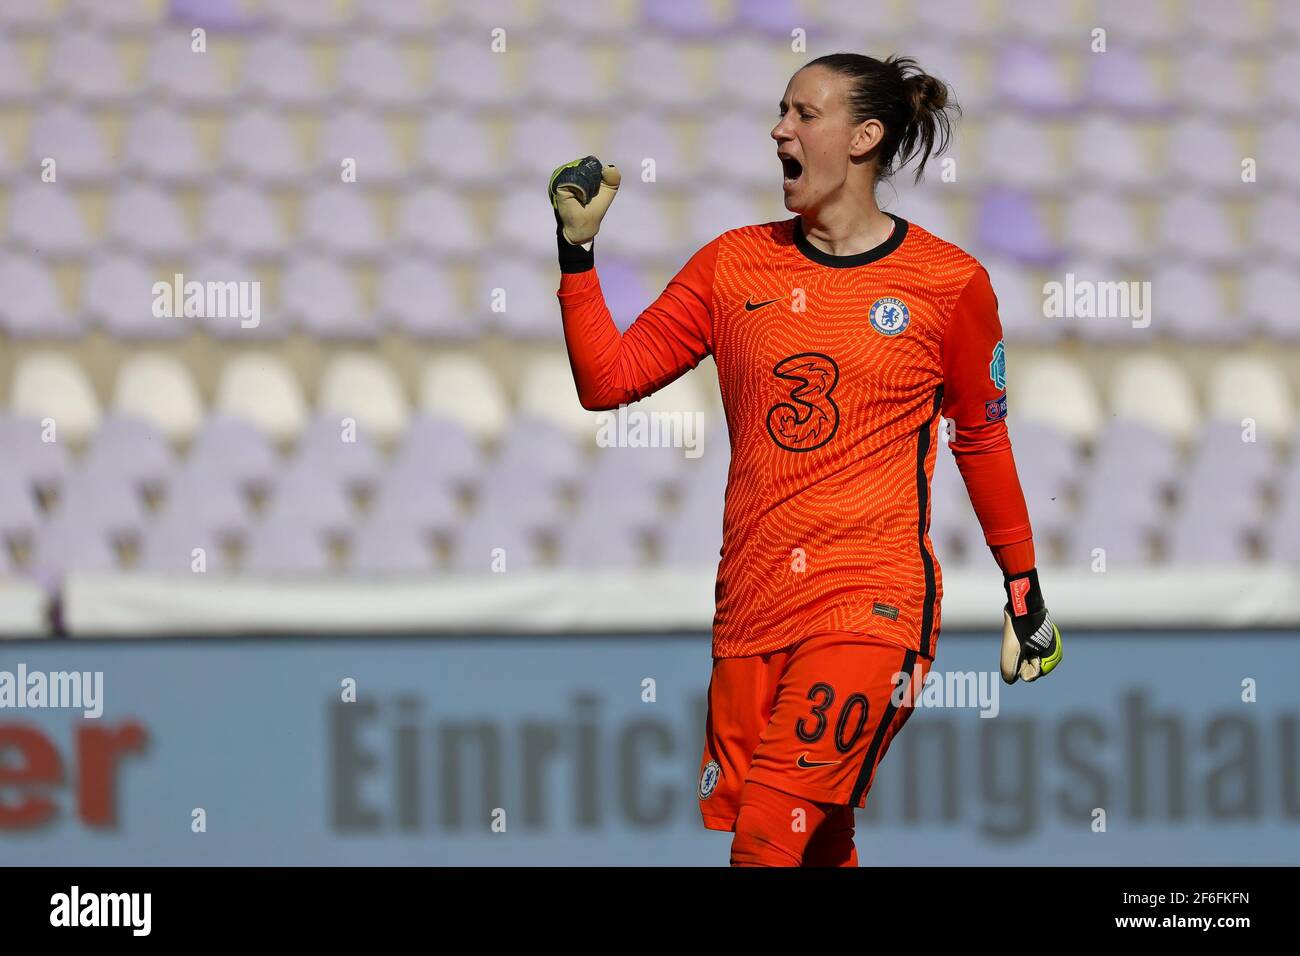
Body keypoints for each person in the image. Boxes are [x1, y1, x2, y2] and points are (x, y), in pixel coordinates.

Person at [550, 52, 1062, 867]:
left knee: (766, 837)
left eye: (803, 114)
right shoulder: (733, 265)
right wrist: (577, 259)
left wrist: (1024, 588)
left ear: (866, 137)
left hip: (870, 605)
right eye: (781, 112)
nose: (779, 130)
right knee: (817, 841)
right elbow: (607, 382)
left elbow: (982, 436)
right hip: (752, 605)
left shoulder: (947, 284)